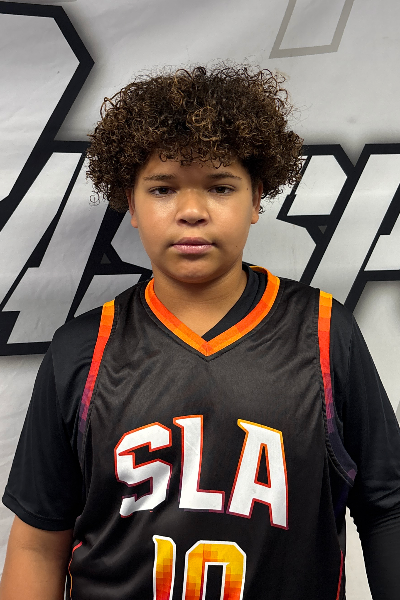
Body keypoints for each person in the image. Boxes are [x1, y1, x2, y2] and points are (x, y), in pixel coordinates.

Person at [1, 64, 399, 600]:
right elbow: (38, 544)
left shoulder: (325, 333)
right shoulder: (81, 350)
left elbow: (386, 507)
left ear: (256, 199)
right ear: (131, 202)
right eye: (163, 188)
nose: (191, 211)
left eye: (220, 186)